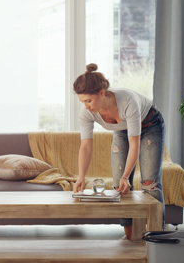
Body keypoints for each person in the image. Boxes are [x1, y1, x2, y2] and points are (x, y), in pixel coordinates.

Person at [72, 63, 165, 240]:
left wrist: (126, 176)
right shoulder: (87, 112)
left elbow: (135, 143)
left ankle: (158, 239)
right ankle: (130, 237)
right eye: (82, 101)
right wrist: (81, 176)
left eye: (88, 100)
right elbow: (86, 146)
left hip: (150, 125)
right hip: (122, 130)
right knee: (119, 187)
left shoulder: (127, 101)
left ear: (101, 93)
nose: (85, 106)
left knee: (149, 184)